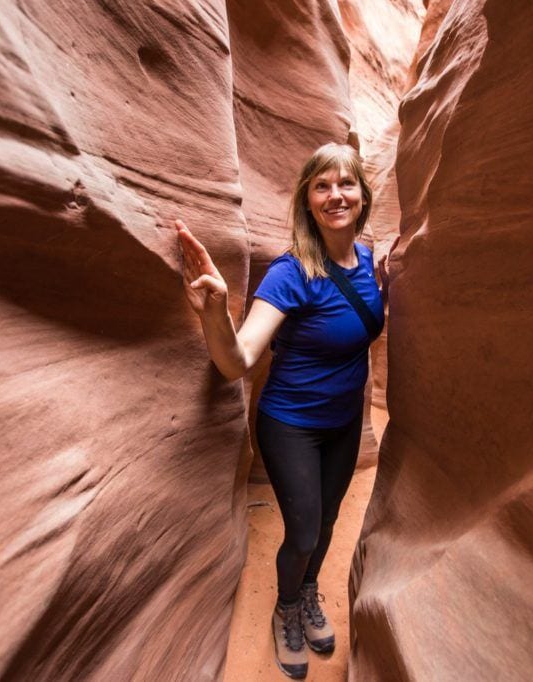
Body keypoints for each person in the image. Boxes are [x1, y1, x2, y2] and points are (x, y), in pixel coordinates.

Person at [175, 142, 388, 679]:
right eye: (322, 185)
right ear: (308, 201)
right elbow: (238, 359)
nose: (335, 194)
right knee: (303, 530)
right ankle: (287, 607)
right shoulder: (291, 272)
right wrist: (217, 312)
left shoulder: (368, 262)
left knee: (330, 520)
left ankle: (309, 590)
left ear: (362, 195)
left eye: (346, 183)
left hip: (342, 424)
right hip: (291, 424)